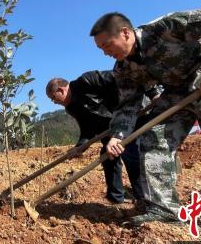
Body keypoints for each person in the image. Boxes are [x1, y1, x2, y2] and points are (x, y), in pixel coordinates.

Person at [90, 9, 201, 241]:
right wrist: (118, 134)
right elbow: (128, 104)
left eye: (107, 45)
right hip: (178, 97)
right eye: (101, 49)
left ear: (125, 32)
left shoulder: (166, 28)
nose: (105, 52)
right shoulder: (124, 68)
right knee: (154, 139)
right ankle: (164, 209)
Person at [46, 71, 158, 203]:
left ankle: (144, 198)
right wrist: (79, 147)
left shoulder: (87, 81)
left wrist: (153, 94)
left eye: (53, 98)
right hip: (110, 130)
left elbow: (125, 78)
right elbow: (87, 130)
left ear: (61, 90)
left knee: (130, 152)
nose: (54, 102)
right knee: (107, 155)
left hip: (131, 114)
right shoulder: (72, 108)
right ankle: (116, 199)